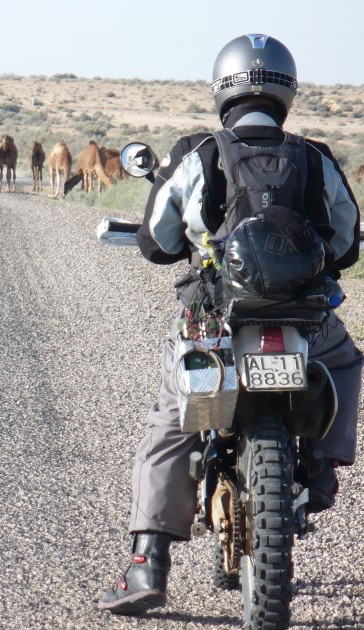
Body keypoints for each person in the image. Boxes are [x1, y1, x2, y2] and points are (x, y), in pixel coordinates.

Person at [98, 33, 364, 615]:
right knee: (345, 361)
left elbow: (157, 243)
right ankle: (321, 467)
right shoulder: (315, 157)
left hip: (215, 320)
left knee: (172, 418)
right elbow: (346, 245)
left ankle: (147, 562)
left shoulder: (198, 153)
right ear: (286, 92)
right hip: (305, 320)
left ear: (223, 88)